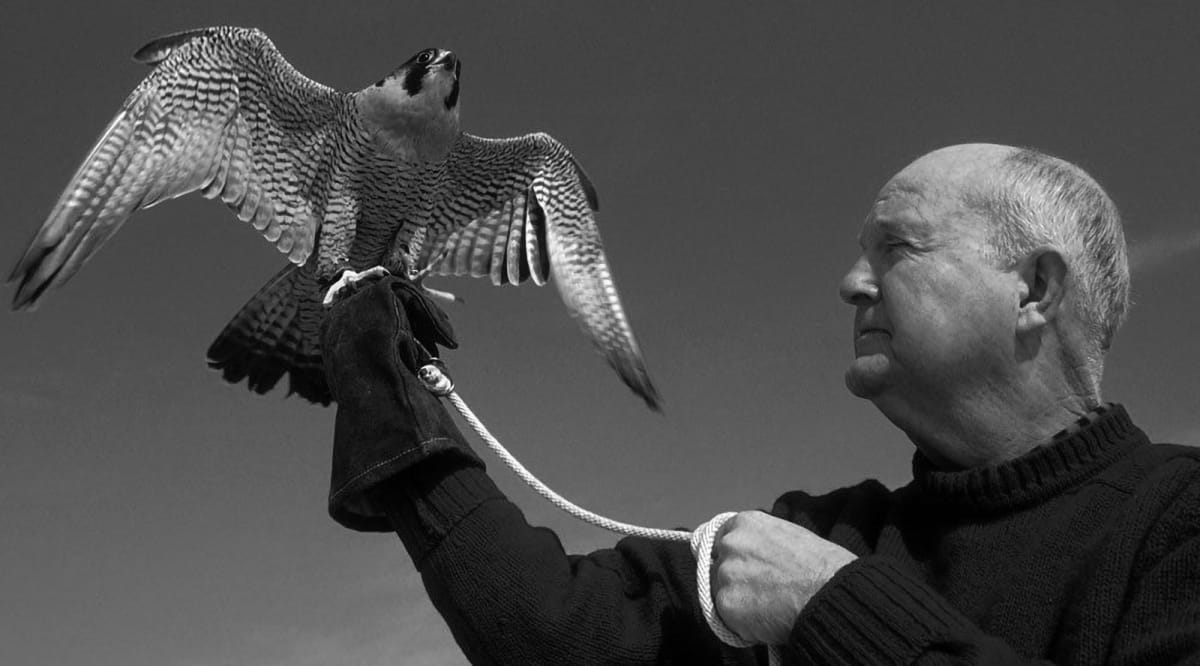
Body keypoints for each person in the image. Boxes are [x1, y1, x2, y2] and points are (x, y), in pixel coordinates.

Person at [319, 143, 1200, 664]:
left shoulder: (1176, 520)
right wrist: (394, 411)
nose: (851, 283)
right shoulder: (820, 533)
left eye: (898, 247)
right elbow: (549, 634)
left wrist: (831, 606)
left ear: (1036, 287)